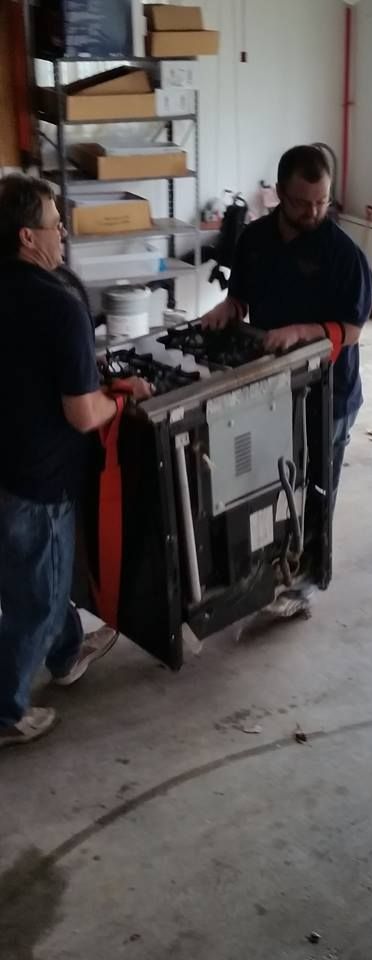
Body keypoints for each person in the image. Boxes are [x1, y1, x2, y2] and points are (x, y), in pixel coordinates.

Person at [0, 174, 153, 747]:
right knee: (34, 597)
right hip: (37, 480)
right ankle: (6, 712)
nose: (62, 231)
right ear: (27, 237)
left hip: (5, 466)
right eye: (53, 223)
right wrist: (119, 398)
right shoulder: (58, 304)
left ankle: (65, 654)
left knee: (33, 576)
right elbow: (83, 415)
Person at [201, 145, 372, 500]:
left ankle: (311, 555)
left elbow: (353, 330)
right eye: (301, 203)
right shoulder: (254, 239)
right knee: (269, 490)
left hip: (328, 395)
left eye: (322, 202)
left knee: (316, 500)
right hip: (272, 388)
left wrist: (301, 332)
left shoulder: (343, 255)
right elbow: (240, 299)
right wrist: (227, 308)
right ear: (279, 193)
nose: (313, 212)